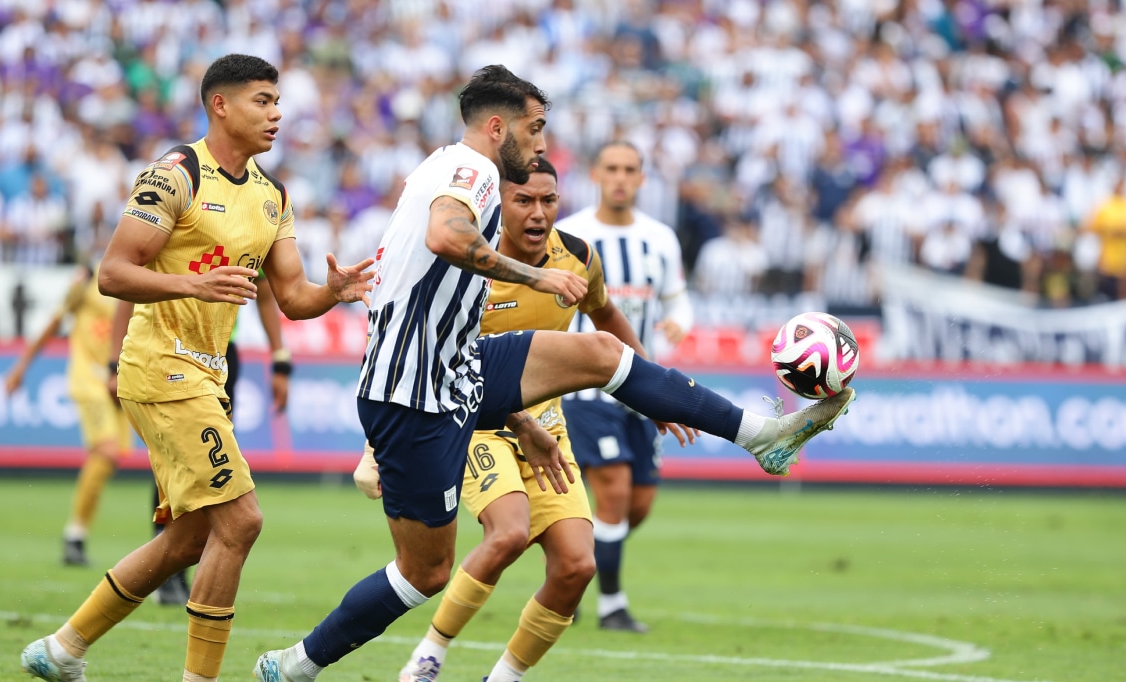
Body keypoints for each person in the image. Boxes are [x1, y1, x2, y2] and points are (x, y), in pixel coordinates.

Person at [254, 64, 854, 682]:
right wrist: (537, 276)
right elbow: (444, 236)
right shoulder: (472, 171)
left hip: (458, 371)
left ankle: (762, 437)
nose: (542, 145)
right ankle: (297, 666)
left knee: (597, 352)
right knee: (424, 571)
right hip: (417, 396)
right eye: (535, 129)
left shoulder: (450, 169)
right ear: (497, 126)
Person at [20, 53, 374, 682]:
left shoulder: (272, 194)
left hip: (205, 373)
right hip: (160, 367)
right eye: (263, 100)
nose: (277, 113)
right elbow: (112, 272)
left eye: (277, 100)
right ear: (221, 105)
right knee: (242, 520)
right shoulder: (175, 173)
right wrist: (195, 284)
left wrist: (333, 291)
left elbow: (292, 298)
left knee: (190, 539)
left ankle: (62, 650)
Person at [383, 157, 693, 680]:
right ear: (495, 205)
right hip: (475, 422)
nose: (538, 212)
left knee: (577, 566)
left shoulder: (575, 257)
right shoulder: (464, 266)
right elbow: (433, 358)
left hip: (548, 428)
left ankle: (502, 678)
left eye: (548, 200)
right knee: (507, 535)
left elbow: (606, 315)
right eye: (523, 200)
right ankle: (427, 658)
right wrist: (519, 422)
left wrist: (652, 386)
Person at [555, 140, 693, 633]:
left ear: (642, 179)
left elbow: (678, 299)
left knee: (637, 507)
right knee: (611, 494)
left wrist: (679, 322)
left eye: (629, 169)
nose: (619, 177)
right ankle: (610, 605)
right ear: (596, 173)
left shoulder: (660, 238)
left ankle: (564, 573)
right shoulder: (570, 234)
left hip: (643, 388)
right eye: (610, 167)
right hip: (586, 390)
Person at [143, 271, 293, 606]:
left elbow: (266, 291)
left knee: (211, 462)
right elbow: (127, 279)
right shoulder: (183, 222)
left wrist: (280, 359)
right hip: (174, 346)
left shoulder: (256, 225)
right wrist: (114, 362)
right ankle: (166, 562)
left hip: (222, 354)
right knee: (177, 459)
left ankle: (195, 566)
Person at [5, 264, 133, 568]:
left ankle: (76, 536)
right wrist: (21, 367)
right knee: (107, 450)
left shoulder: (137, 277)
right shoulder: (89, 278)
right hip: (89, 378)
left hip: (122, 379)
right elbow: (54, 323)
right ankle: (74, 535)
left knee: (109, 459)